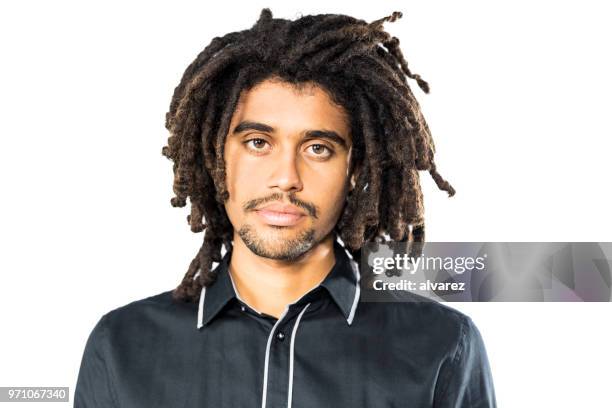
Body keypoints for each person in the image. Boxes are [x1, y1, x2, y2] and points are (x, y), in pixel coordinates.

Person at [74, 8, 496, 407]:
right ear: (216, 156)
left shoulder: (442, 344)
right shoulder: (121, 346)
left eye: (317, 148)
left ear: (355, 169)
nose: (285, 177)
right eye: (258, 143)